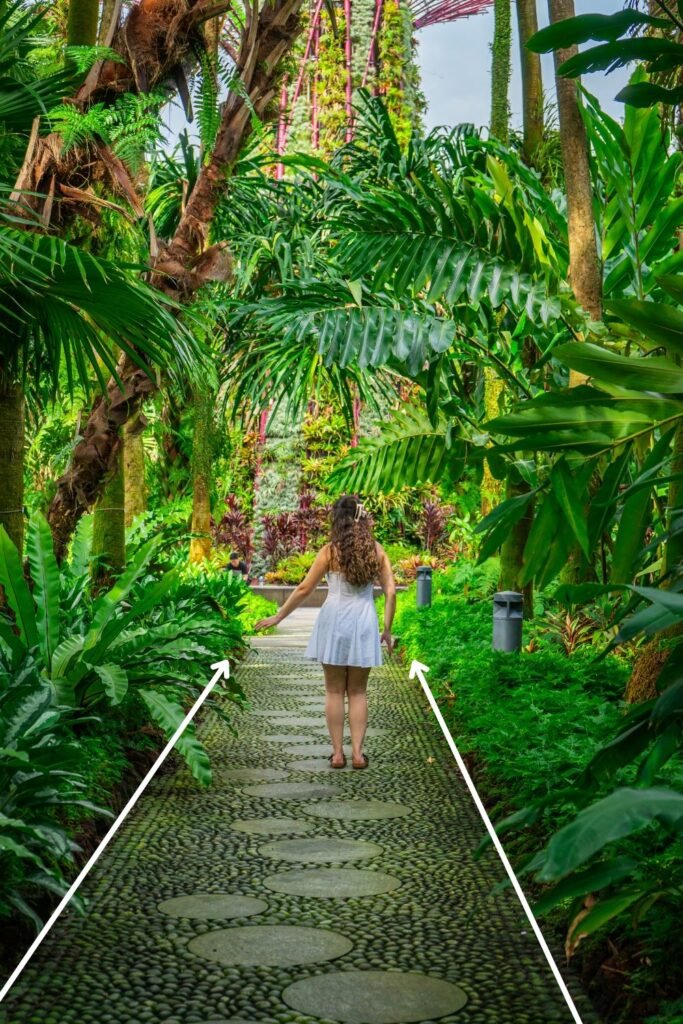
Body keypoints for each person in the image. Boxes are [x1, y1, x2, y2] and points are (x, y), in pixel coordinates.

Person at [254, 495, 396, 770]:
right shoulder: (376, 551)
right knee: (357, 692)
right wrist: (387, 629)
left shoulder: (330, 551)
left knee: (333, 690)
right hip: (363, 619)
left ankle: (337, 754)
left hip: (333, 619)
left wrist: (279, 616)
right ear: (361, 517)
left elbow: (304, 589)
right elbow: (390, 592)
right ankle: (357, 754)